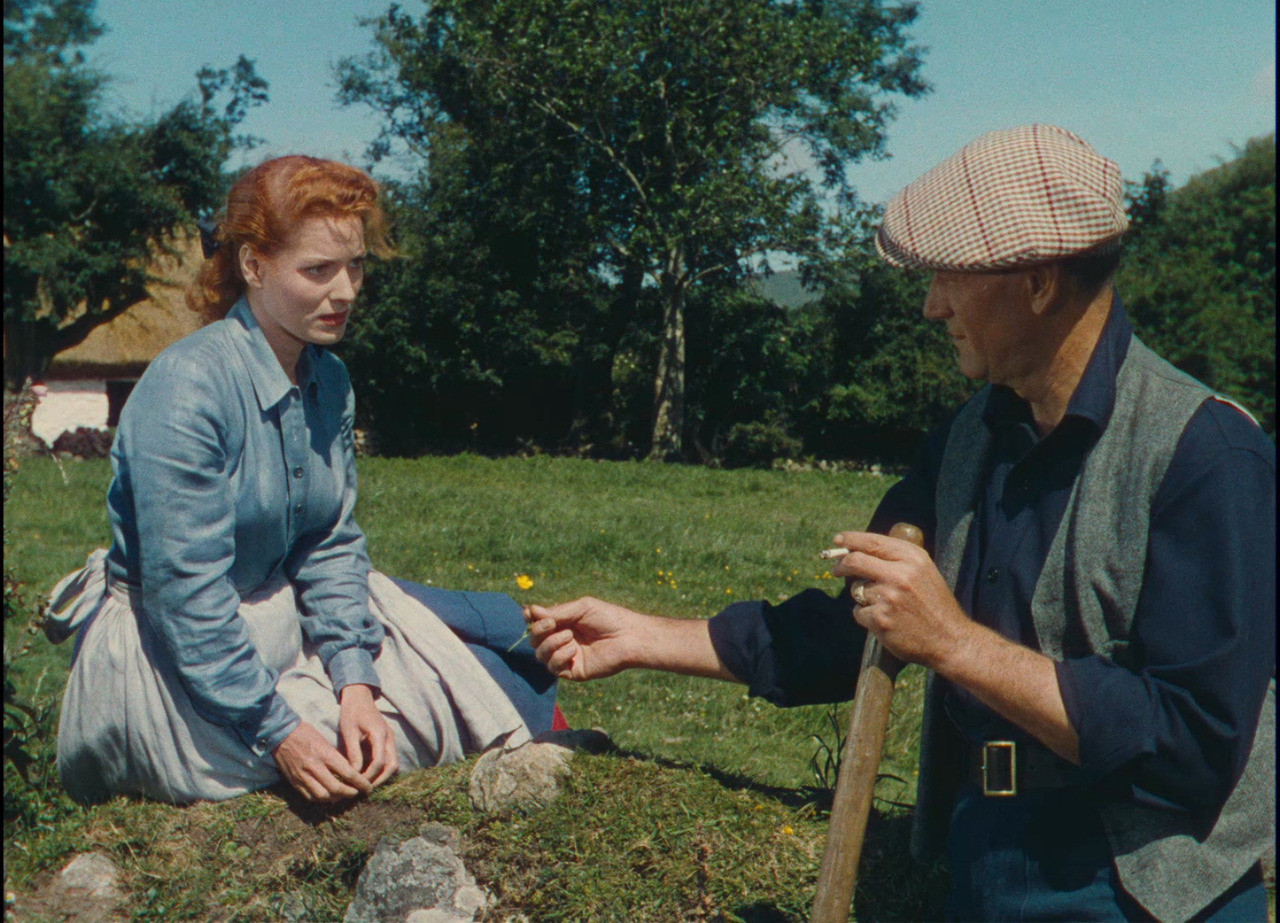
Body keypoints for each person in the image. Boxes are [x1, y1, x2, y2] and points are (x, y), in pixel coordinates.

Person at [526, 125, 1275, 920]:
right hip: (982, 859)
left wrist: (954, 642)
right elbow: (861, 627)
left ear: (1037, 282)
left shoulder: (1209, 454)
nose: (931, 305)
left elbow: (1194, 745)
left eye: (951, 277)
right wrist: (644, 636)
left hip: (1145, 890)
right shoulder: (971, 439)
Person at [45, 155, 564, 807]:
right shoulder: (188, 388)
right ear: (253, 265)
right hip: (166, 655)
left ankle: (556, 751)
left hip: (279, 622)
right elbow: (187, 598)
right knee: (358, 763)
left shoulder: (328, 381)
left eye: (355, 266)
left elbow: (328, 541)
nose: (344, 291)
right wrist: (281, 732)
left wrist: (355, 682)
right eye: (317, 270)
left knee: (469, 674)